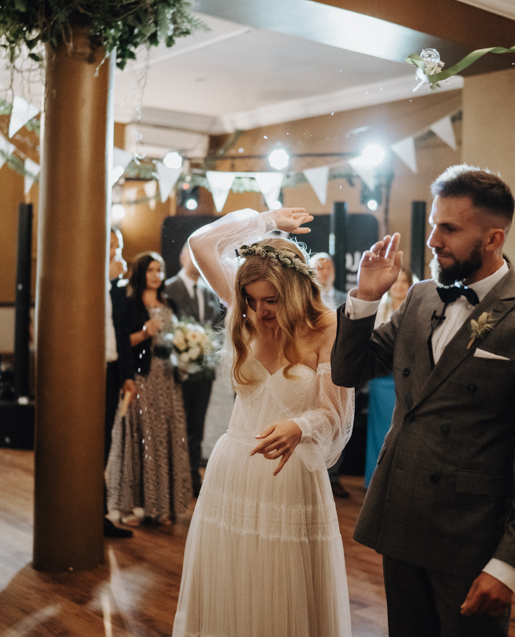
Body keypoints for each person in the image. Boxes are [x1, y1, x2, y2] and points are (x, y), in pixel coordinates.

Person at [332, 165, 515, 637]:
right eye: (433, 225)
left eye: (449, 228)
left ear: (494, 238)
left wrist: (509, 564)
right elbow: (349, 371)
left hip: (471, 539)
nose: (432, 241)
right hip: (401, 519)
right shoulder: (420, 298)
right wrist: (365, 298)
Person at [174, 207, 355, 637]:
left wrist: (299, 427)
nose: (259, 312)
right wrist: (266, 220)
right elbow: (201, 243)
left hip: (290, 475)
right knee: (232, 586)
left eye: (271, 301)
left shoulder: (326, 326)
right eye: (251, 300)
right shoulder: (247, 312)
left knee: (283, 596)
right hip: (233, 470)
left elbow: (335, 414)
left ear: (295, 289)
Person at [106, 252, 192, 526]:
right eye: (151, 270)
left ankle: (162, 505)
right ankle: (129, 506)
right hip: (142, 375)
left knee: (166, 437)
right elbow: (121, 343)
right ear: (141, 273)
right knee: (140, 437)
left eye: (160, 270)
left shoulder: (170, 303)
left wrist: (188, 348)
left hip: (167, 379)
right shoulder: (130, 304)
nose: (156, 275)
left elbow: (179, 338)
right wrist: (144, 332)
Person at [163, 244, 224, 497]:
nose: (197, 260)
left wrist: (211, 350)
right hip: (175, 370)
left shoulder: (210, 293)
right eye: (192, 255)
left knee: (197, 425)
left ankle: (192, 475)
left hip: (204, 370)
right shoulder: (168, 289)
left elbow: (217, 329)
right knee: (176, 425)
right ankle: (174, 478)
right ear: (182, 257)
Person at [364, 266, 415, 488]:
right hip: (381, 378)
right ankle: (373, 480)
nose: (399, 286)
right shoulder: (379, 310)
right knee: (379, 429)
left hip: (407, 377)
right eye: (396, 282)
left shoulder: (416, 310)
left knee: (402, 430)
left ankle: (397, 483)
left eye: (404, 281)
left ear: (410, 285)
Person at [104, 228, 136, 539]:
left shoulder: (116, 287)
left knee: (104, 441)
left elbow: (121, 332)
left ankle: (98, 514)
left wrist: (127, 375)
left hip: (113, 371)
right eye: (111, 246)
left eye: (119, 247)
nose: (117, 253)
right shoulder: (90, 283)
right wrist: (109, 279)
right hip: (90, 372)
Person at [310, 251, 348, 497]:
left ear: (334, 272)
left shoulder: (346, 300)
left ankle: (333, 477)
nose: (322, 272)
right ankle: (312, 474)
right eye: (318, 268)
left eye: (327, 268)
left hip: (340, 368)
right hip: (310, 368)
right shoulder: (304, 301)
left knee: (337, 419)